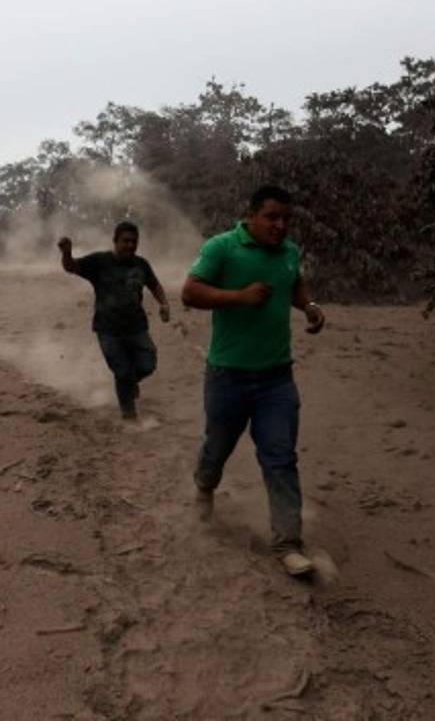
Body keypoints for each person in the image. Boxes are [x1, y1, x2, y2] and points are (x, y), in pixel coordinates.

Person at [181, 185, 326, 578]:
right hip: (227, 376)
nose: (280, 225)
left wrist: (309, 306)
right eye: (271, 217)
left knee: (280, 457)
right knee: (217, 448)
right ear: (251, 215)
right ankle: (204, 487)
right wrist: (239, 297)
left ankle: (288, 544)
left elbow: (294, 283)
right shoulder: (222, 247)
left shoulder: (289, 252)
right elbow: (190, 293)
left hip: (277, 378)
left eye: (286, 218)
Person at [58, 221, 170, 420]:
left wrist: (164, 303)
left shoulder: (141, 264)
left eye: (134, 241)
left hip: (137, 327)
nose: (130, 245)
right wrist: (66, 253)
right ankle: (129, 417)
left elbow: (154, 285)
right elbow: (71, 267)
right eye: (126, 241)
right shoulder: (99, 262)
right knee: (122, 371)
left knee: (147, 365)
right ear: (115, 241)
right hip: (108, 329)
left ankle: (130, 384)